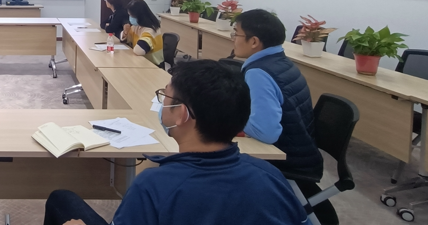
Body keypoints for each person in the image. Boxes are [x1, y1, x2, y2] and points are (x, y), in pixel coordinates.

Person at [43, 60, 308, 225]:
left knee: (60, 200)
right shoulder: (271, 175)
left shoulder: (154, 186)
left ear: (181, 114)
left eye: (165, 97)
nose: (162, 105)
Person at [233, 9, 334, 224]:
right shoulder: (279, 61)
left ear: (254, 41)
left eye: (236, 34)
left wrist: (231, 113)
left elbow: (266, 133)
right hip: (303, 150)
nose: (233, 39)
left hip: (288, 159)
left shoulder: (258, 72)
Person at [122, 0, 164, 66]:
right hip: (141, 62)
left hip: (153, 65)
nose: (130, 18)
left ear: (140, 16)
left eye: (131, 16)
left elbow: (139, 51)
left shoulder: (151, 30)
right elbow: (126, 39)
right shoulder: (137, 26)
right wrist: (125, 32)